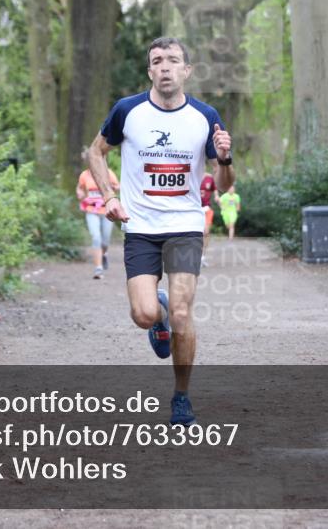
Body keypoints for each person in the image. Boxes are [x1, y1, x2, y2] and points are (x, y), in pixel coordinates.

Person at [86, 36, 234, 426]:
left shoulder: (205, 116)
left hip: (185, 226)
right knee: (143, 314)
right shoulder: (127, 111)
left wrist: (225, 158)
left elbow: (223, 185)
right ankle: (159, 312)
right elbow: (95, 152)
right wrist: (108, 197)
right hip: (140, 227)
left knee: (185, 314)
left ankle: (182, 397)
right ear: (149, 71)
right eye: (157, 61)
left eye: (173, 60)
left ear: (186, 70)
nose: (165, 67)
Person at [75, 152, 120, 279]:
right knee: (96, 238)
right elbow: (79, 188)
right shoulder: (84, 175)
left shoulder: (108, 173)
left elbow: (118, 186)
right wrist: (80, 193)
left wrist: (113, 187)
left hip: (107, 211)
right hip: (91, 211)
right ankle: (98, 268)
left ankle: (104, 254)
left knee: (105, 241)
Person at [199, 172, 216, 267]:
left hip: (207, 208)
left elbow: (215, 190)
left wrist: (217, 197)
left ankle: (202, 257)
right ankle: (196, 256)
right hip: (194, 209)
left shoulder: (209, 178)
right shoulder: (190, 174)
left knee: (206, 232)